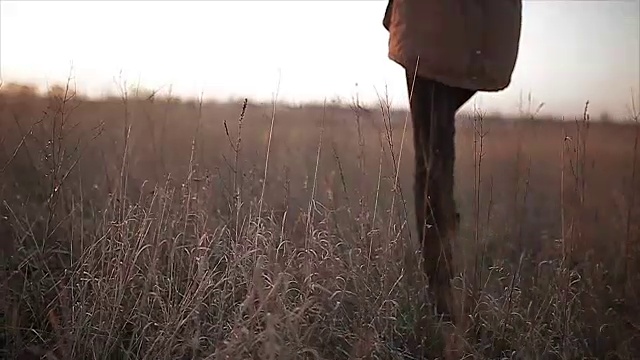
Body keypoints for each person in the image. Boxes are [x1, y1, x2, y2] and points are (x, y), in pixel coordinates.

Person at [383, 0, 522, 357]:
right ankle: (443, 290)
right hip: (459, 26)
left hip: (438, 24)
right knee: (435, 155)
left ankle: (443, 294)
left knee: (433, 160)